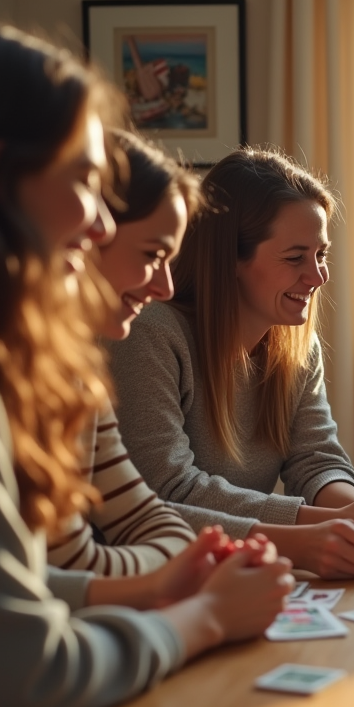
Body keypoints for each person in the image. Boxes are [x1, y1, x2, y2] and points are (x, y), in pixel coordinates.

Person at [0, 27, 293, 707]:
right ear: (0, 178)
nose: (101, 222)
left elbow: (16, 592)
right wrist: (204, 618)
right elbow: (29, 672)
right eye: (84, 180)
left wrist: (155, 590)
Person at [107, 147, 354, 579]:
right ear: (229, 258)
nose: (318, 277)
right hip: (155, 575)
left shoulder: (296, 344)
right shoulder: (149, 331)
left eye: (321, 254)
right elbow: (167, 490)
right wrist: (317, 526)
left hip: (236, 571)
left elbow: (316, 460)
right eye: (295, 258)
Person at [48, 129, 209, 575]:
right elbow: (70, 563)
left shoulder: (80, 375)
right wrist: (175, 587)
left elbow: (149, 519)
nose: (165, 287)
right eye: (153, 255)